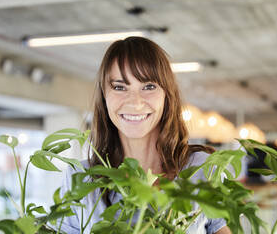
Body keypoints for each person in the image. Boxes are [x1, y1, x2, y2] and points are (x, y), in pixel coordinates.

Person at [59, 36, 231, 234]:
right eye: (119, 87)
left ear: (167, 95)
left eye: (149, 86)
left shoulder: (203, 168)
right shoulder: (80, 177)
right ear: (104, 95)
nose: (135, 102)